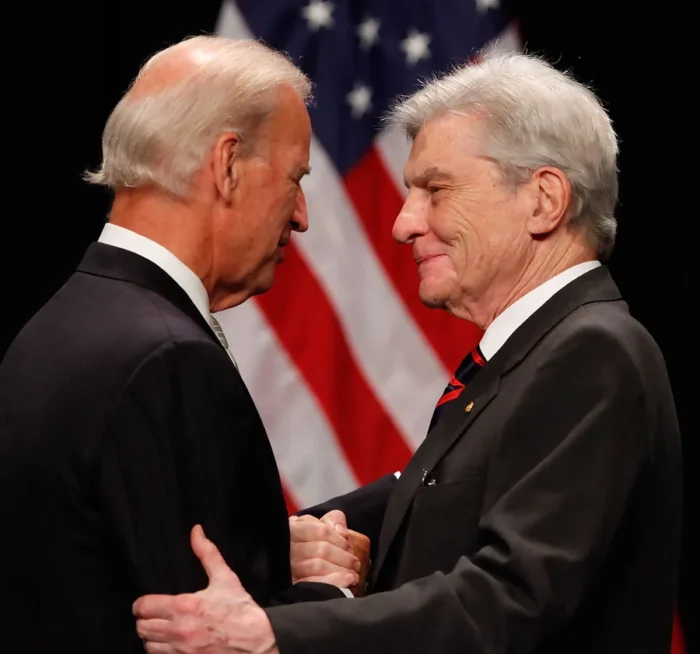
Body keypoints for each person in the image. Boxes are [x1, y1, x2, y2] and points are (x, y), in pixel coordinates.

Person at [133, 50, 683, 654]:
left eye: (435, 190)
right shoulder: (537, 351)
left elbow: (511, 599)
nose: (403, 223)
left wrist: (271, 633)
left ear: (543, 200)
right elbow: (435, 487)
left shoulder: (592, 355)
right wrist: (285, 538)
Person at [0, 35, 363, 654]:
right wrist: (332, 596)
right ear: (226, 165)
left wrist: (272, 549)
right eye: (294, 178)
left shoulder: (59, 324)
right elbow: (198, 633)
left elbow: (123, 556)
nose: (301, 215)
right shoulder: (168, 361)